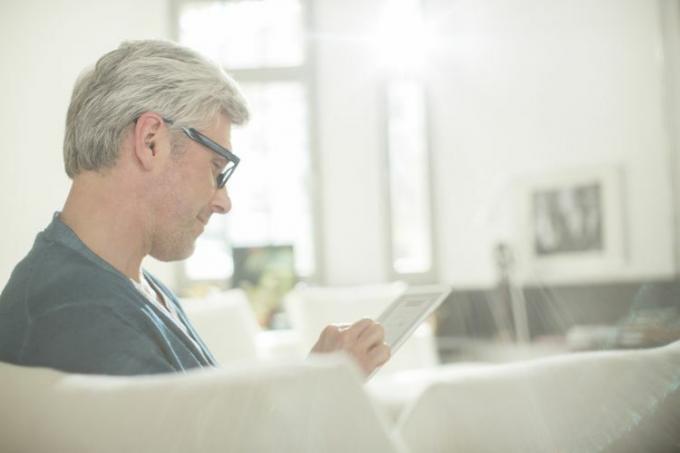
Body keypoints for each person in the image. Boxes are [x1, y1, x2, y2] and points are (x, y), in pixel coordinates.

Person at [0, 40, 390, 377]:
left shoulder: (134, 288)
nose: (224, 201)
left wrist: (316, 381)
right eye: (216, 168)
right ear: (151, 141)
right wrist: (322, 390)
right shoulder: (76, 315)